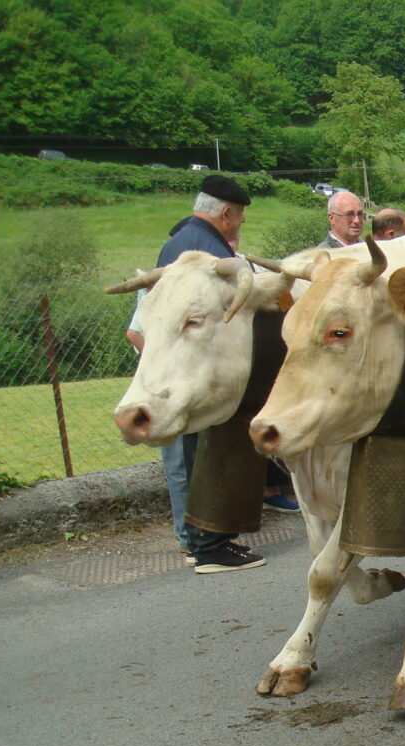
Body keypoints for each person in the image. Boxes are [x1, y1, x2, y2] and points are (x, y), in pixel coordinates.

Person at [137, 175, 266, 571]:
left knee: (187, 458)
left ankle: (195, 541)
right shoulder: (210, 252)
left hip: (173, 371)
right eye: (239, 218)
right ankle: (211, 544)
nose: (240, 225)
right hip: (199, 372)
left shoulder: (174, 245)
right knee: (210, 456)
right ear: (225, 213)